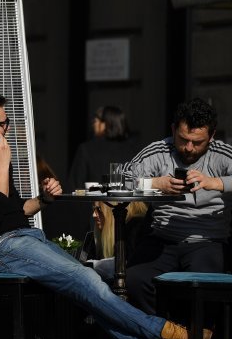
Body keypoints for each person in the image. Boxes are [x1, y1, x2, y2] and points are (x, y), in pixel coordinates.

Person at [0, 92, 206, 339]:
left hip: (26, 238)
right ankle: (169, 333)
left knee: (87, 282)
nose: (9, 129)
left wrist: (43, 199)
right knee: (88, 280)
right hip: (0, 248)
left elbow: (13, 209)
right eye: (4, 123)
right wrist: (3, 164)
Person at [125, 98, 232, 316]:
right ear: (173, 130)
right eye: (183, 139)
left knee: (204, 286)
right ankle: (166, 335)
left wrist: (216, 183)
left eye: (198, 142)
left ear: (211, 136)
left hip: (207, 241)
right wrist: (155, 184)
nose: (189, 148)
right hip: (162, 239)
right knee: (133, 280)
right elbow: (123, 176)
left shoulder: (222, 154)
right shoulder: (158, 150)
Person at [66, 105, 140, 191]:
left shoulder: (86, 149)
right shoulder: (134, 150)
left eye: (95, 121)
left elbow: (74, 187)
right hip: (127, 204)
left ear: (105, 123)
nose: (93, 124)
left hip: (94, 203)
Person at [88, 201, 149, 282]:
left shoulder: (136, 228)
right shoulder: (97, 235)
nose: (94, 215)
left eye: (99, 209)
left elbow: (126, 266)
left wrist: (93, 265)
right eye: (94, 210)